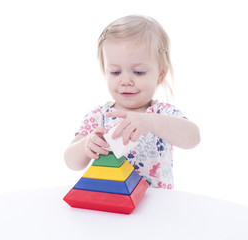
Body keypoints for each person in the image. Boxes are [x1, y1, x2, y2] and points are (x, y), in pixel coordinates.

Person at [64, 15, 200, 189]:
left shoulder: (162, 113)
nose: (125, 81)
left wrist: (151, 123)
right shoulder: (100, 116)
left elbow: (193, 137)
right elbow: (71, 161)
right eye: (115, 72)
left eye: (138, 72)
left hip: (156, 206)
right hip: (111, 201)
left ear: (160, 74)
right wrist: (87, 145)